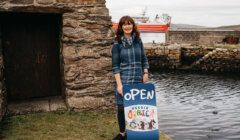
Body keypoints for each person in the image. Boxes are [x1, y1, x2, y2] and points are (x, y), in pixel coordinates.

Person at [111, 16, 150, 140]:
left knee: (136, 108)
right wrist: (119, 85)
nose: (127, 26)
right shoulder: (117, 44)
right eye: (124, 24)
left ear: (133, 26)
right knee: (122, 108)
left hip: (137, 80)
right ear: (121, 27)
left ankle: (135, 132)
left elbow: (144, 58)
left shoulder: (138, 41)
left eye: (130, 24)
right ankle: (122, 134)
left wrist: (145, 72)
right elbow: (115, 66)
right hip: (124, 81)